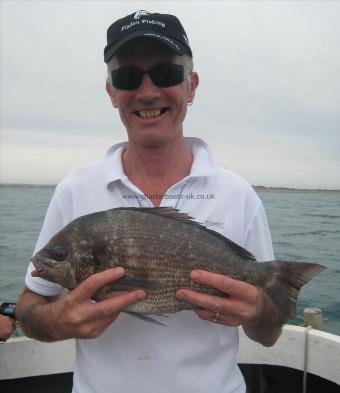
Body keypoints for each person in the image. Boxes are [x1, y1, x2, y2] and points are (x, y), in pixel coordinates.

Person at [16, 11, 283, 393]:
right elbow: (29, 309)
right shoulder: (74, 189)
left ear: (191, 85)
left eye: (166, 74)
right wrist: (57, 320)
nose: (146, 91)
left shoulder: (238, 194)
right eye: (127, 77)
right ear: (111, 91)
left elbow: (269, 333)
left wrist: (259, 310)